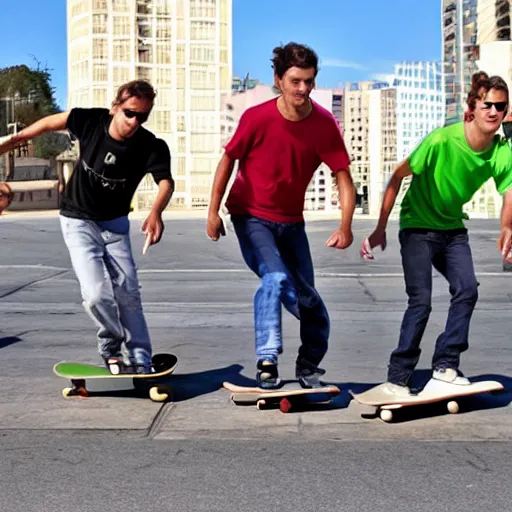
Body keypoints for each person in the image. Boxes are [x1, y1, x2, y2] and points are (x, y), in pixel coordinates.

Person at [207, 42, 356, 389]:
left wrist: (345, 225)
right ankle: (267, 360)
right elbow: (228, 160)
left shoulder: (323, 124)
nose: (303, 89)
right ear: (278, 80)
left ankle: (308, 366)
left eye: (308, 81)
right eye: (295, 81)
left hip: (292, 223)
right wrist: (213, 212)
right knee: (273, 278)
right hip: (251, 215)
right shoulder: (257, 118)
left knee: (310, 303)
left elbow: (343, 176)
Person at [0, 80, 174, 374]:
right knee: (96, 294)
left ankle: (141, 358)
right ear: (115, 108)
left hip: (115, 224)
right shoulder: (91, 121)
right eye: (130, 113)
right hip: (77, 219)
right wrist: (13, 140)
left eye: (142, 117)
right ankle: (111, 348)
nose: (134, 122)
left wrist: (156, 212)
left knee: (128, 290)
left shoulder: (150, 145)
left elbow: (165, 182)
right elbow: (50, 123)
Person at [361, 71, 512, 396]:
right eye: (487, 105)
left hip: (452, 231)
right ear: (472, 107)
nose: (493, 113)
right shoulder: (441, 140)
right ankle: (398, 378)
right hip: (416, 227)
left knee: (467, 289)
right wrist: (380, 227)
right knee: (422, 301)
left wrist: (506, 225)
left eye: (500, 107)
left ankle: (445, 367)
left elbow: (509, 193)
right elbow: (396, 177)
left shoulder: (501, 152)